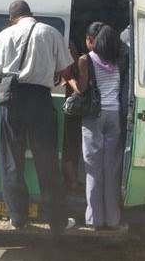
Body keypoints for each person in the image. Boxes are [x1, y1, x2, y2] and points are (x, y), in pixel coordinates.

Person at [0, 0, 75, 235]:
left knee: (12, 159)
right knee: (47, 161)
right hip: (40, 99)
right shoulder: (51, 32)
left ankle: (18, 217)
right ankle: (57, 221)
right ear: (30, 14)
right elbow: (66, 71)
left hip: (11, 99)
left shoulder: (5, 35)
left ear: (12, 17)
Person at [68, 22, 123, 229]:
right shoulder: (118, 60)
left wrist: (69, 78)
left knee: (93, 170)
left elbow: (82, 89)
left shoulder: (85, 60)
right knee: (111, 169)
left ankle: (94, 219)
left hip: (94, 116)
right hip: (114, 115)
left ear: (91, 41)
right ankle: (112, 218)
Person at [62, 41, 83, 191]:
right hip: (70, 109)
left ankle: (72, 180)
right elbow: (80, 89)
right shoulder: (71, 49)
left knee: (71, 144)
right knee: (70, 145)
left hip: (72, 109)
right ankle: (72, 181)